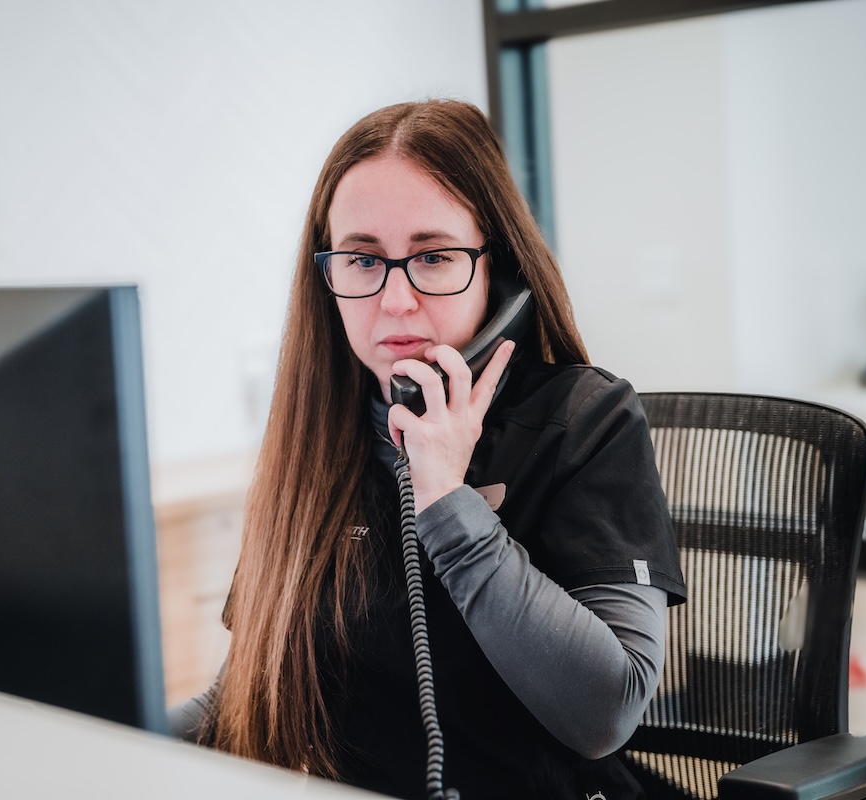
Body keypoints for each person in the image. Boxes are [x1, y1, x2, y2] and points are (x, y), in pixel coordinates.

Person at [172, 99, 686, 800]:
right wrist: (102, 729)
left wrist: (446, 499)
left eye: (434, 257)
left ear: (498, 268)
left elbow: (606, 710)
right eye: (362, 259)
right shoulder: (316, 438)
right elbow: (243, 699)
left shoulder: (583, 421)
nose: (395, 300)